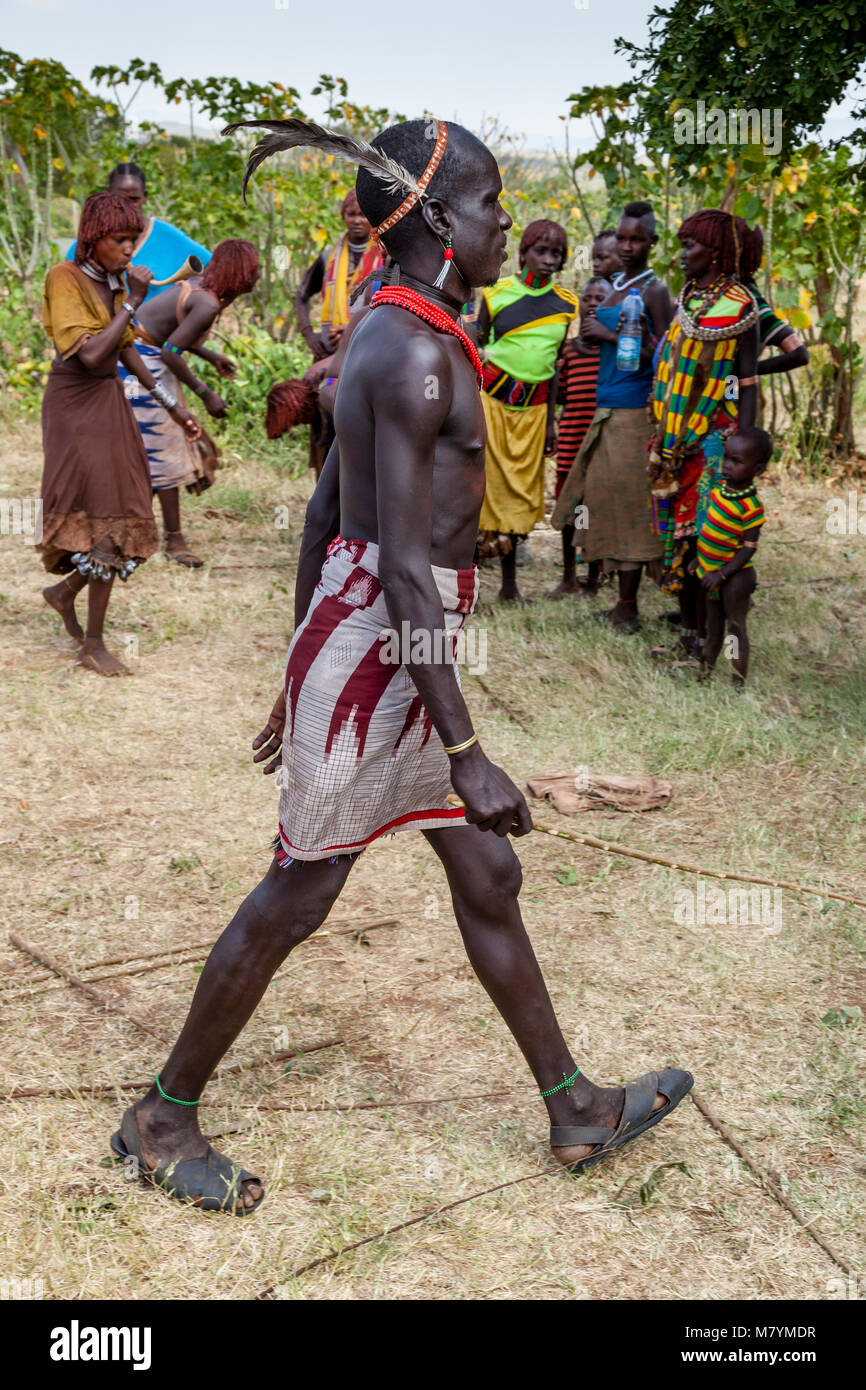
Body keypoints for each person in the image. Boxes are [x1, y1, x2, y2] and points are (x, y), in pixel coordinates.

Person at [109, 117, 692, 1214]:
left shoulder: (387, 326)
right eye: (488, 211)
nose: (503, 228)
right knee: (300, 887)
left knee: (486, 873)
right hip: (393, 647)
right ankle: (159, 1115)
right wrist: (464, 748)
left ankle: (573, 1108)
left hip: (384, 646)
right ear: (436, 218)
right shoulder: (412, 347)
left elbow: (327, 514)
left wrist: (297, 660)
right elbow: (398, 565)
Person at [40, 192, 200, 675]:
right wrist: (131, 301)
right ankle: (92, 643)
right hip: (74, 404)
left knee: (130, 508)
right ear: (93, 239)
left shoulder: (111, 281)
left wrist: (174, 407)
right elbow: (90, 355)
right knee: (107, 515)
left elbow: (126, 350)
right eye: (119, 240)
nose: (130, 250)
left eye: (134, 240)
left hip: (109, 398)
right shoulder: (63, 277)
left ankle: (65, 593)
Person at [551, 202, 673, 630]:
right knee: (604, 502)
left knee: (630, 509)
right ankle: (615, 595)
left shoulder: (654, 290)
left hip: (633, 411)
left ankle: (628, 605)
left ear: (652, 244)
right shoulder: (617, 282)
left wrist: (611, 333)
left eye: (635, 239)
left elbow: (666, 355)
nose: (625, 245)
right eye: (621, 237)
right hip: (605, 407)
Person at [647, 210, 761, 659]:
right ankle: (688, 636)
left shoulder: (739, 306)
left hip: (714, 444)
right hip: (672, 441)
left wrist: (744, 445)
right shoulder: (690, 296)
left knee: (702, 544)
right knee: (676, 540)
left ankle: (706, 647)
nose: (680, 255)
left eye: (689, 246)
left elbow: (747, 383)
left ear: (714, 253)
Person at [119, 239, 260, 567]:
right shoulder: (208, 302)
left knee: (154, 452)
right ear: (241, 275)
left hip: (138, 356)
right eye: (254, 270)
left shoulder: (204, 291)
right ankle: (173, 541)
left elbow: (171, 336)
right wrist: (204, 392)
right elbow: (170, 351)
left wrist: (211, 357)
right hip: (139, 362)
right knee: (165, 451)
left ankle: (138, 533)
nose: (257, 277)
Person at [475, 220, 577, 602]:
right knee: (484, 491)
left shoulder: (567, 305)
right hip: (492, 405)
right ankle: (469, 583)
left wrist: (551, 421)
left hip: (534, 414)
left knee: (520, 495)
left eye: (557, 254)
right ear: (523, 253)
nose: (549, 260)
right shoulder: (495, 294)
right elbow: (475, 347)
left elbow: (553, 369)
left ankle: (509, 588)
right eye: (541, 251)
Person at [295, 191, 384, 476]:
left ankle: (355, 492)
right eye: (350, 214)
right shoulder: (328, 256)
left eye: (362, 214)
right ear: (342, 216)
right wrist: (310, 335)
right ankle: (325, 491)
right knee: (325, 426)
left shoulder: (386, 258)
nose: (356, 221)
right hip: (329, 354)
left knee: (358, 425)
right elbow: (301, 296)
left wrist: (354, 327)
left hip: (367, 352)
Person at [690, 427, 770, 687]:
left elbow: (748, 548)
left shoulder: (750, 506)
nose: (727, 466)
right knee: (713, 627)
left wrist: (722, 574)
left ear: (758, 470)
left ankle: (737, 682)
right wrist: (699, 561)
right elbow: (711, 533)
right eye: (727, 458)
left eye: (737, 462)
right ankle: (704, 673)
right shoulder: (720, 490)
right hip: (710, 572)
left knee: (735, 628)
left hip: (735, 576)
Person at [67, 163, 211, 300]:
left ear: (145, 197)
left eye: (134, 199)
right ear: (108, 195)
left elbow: (213, 267)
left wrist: (187, 300)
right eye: (120, 198)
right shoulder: (86, 246)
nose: (126, 205)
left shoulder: (168, 236)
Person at [549, 276, 609, 597]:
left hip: (599, 447)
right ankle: (568, 575)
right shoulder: (570, 351)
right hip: (571, 442)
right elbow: (560, 396)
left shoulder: (613, 352)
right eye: (587, 298)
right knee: (570, 509)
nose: (593, 304)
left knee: (593, 511)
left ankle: (593, 577)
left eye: (601, 298)